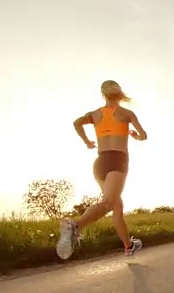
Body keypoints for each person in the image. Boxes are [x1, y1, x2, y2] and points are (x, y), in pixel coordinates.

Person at [56, 80, 148, 260]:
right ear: (120, 93)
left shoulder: (95, 114)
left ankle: (128, 246)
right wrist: (136, 137)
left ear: (103, 94)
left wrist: (87, 141)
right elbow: (144, 136)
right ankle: (76, 227)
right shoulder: (126, 113)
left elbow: (76, 123)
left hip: (100, 163)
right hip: (117, 161)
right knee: (107, 202)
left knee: (117, 205)